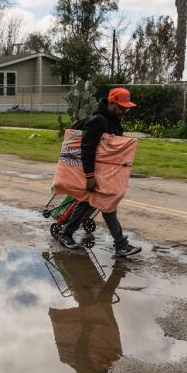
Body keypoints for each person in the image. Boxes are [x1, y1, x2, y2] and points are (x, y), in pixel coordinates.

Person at [56, 87, 142, 258]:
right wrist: (89, 176)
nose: (124, 110)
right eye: (121, 107)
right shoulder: (98, 121)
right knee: (107, 205)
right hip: (94, 172)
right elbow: (87, 148)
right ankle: (120, 245)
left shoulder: (112, 120)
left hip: (103, 172)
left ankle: (66, 233)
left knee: (86, 202)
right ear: (111, 102)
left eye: (126, 108)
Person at [47, 249, 129, 373]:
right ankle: (119, 269)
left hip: (91, 322)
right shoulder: (104, 372)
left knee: (92, 292)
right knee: (103, 295)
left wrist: (87, 327)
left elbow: (81, 349)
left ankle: (68, 260)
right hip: (96, 322)